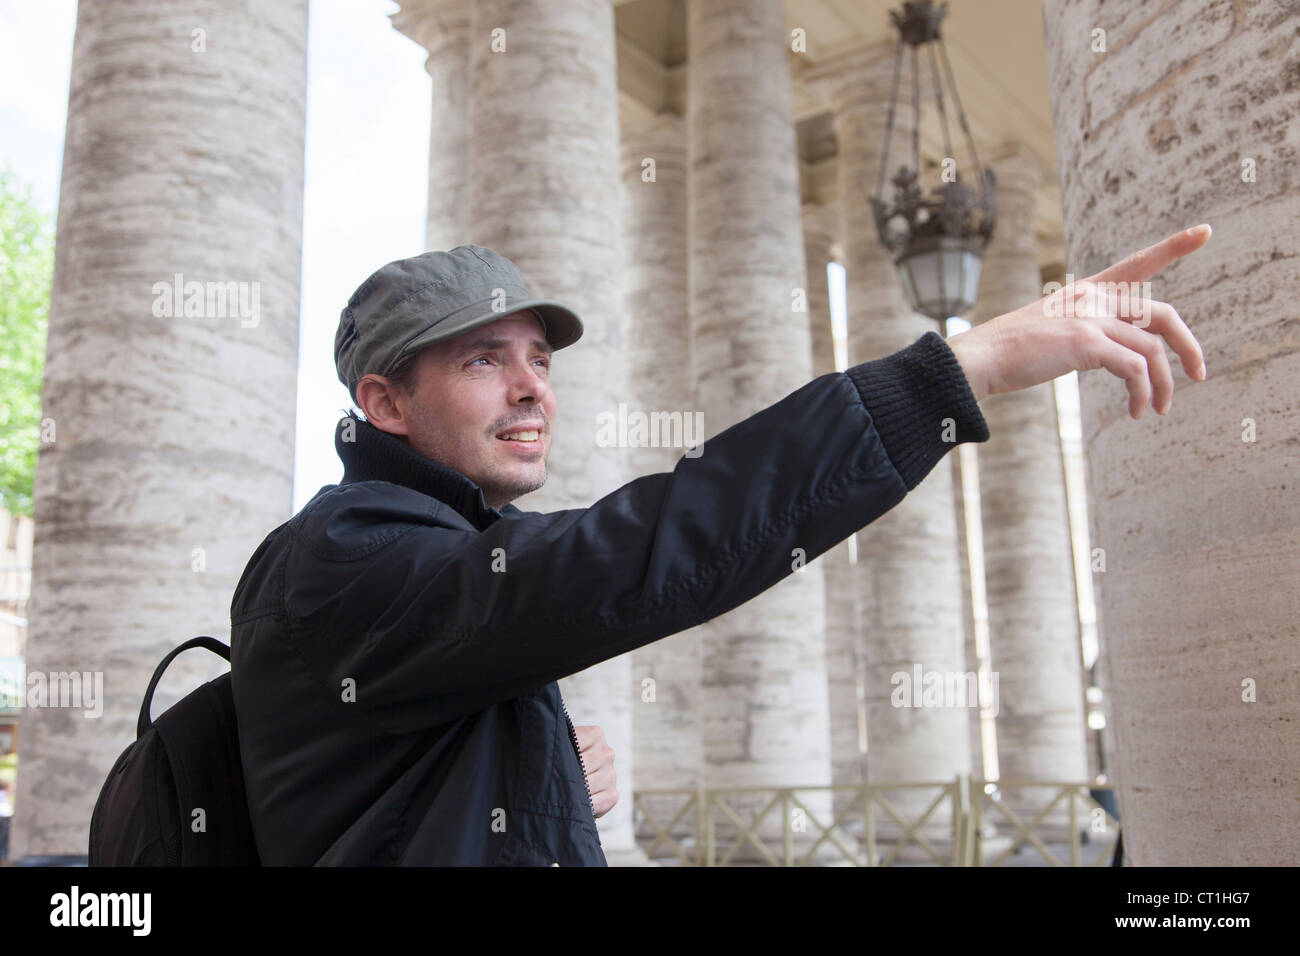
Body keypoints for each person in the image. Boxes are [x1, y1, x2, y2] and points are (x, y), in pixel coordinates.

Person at [229, 228, 1209, 866]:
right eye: (483, 359)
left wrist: (535, 771)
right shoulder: (346, 551)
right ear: (385, 402)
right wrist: (962, 370)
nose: (533, 387)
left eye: (538, 356)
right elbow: (642, 545)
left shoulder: (444, 547)